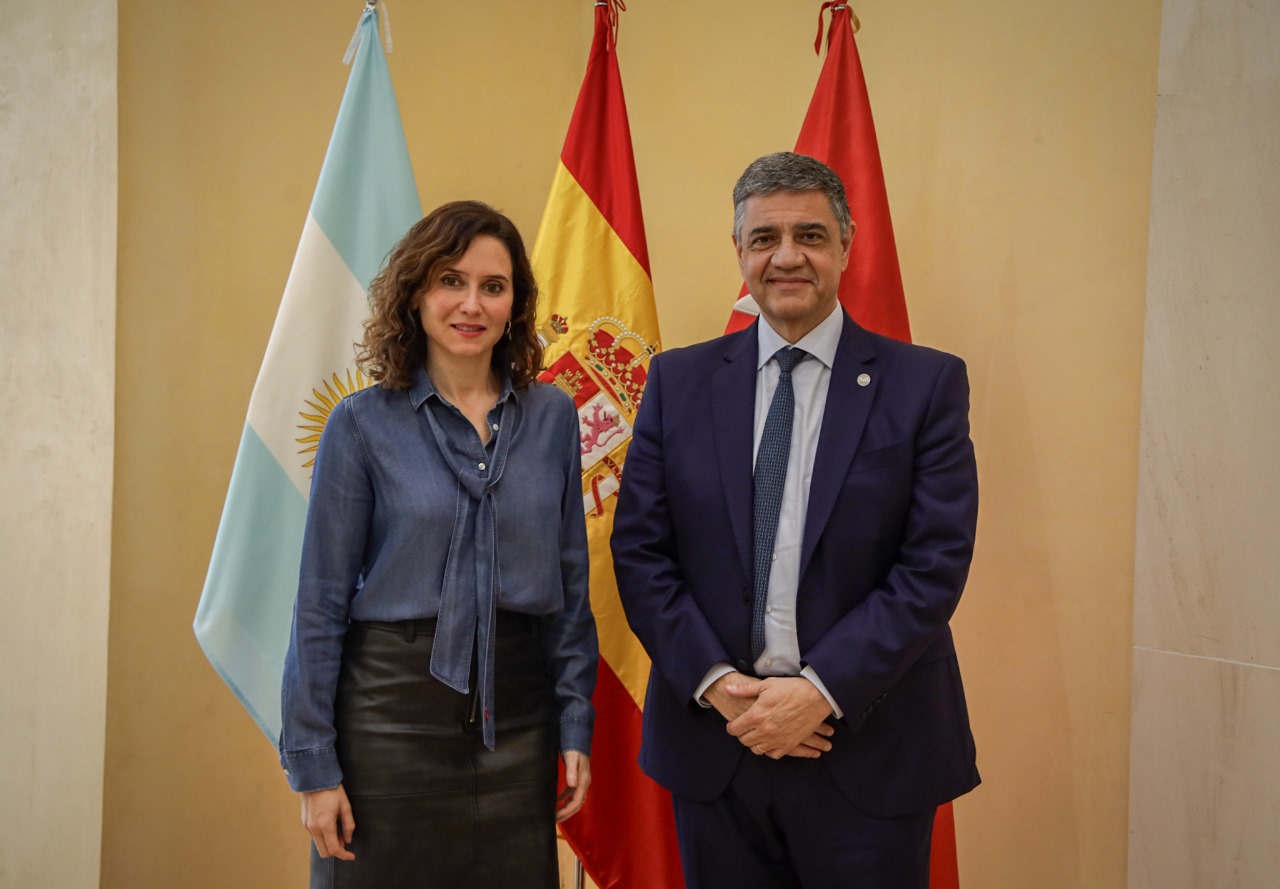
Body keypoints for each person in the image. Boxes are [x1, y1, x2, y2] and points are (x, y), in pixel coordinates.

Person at [611, 153, 979, 889]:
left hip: (868, 747)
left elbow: (932, 564)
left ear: (846, 244)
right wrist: (719, 684)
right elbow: (642, 552)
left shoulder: (925, 383)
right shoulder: (678, 382)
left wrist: (819, 689)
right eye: (764, 238)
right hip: (718, 743)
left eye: (810, 235)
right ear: (739, 252)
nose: (786, 257)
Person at [279, 200, 597, 888]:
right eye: (451, 280)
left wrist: (575, 720)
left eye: (493, 286)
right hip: (387, 723)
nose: (471, 304)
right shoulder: (360, 425)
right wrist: (314, 765)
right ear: (416, 292)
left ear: (514, 304)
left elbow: (570, 590)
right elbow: (319, 604)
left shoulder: (553, 418)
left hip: (519, 719)